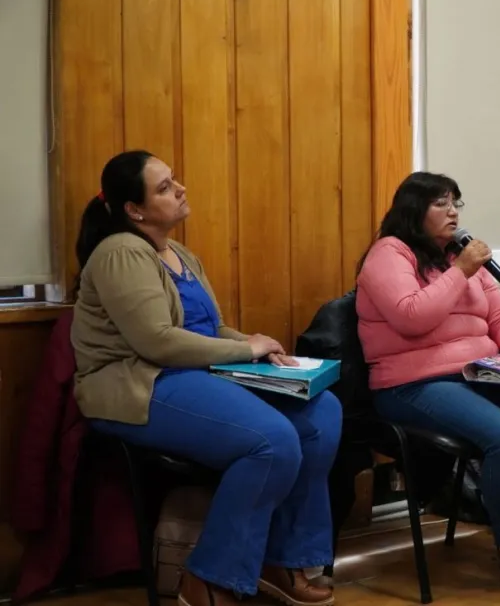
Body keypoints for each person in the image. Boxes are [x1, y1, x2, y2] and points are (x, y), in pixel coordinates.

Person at [71, 151, 340, 606]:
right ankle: (209, 579)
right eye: (163, 187)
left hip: (197, 373)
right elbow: (157, 342)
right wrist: (244, 349)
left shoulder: (178, 253)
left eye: (174, 180)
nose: (180, 190)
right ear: (134, 210)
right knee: (273, 440)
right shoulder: (120, 251)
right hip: (141, 384)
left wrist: (261, 346)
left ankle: (282, 559)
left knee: (320, 414)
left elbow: (208, 331)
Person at [355, 172, 500, 588]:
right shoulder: (391, 253)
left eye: (456, 202)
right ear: (413, 209)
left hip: (478, 375)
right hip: (412, 385)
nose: (453, 211)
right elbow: (411, 317)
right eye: (441, 203)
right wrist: (460, 270)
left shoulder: (461, 259)